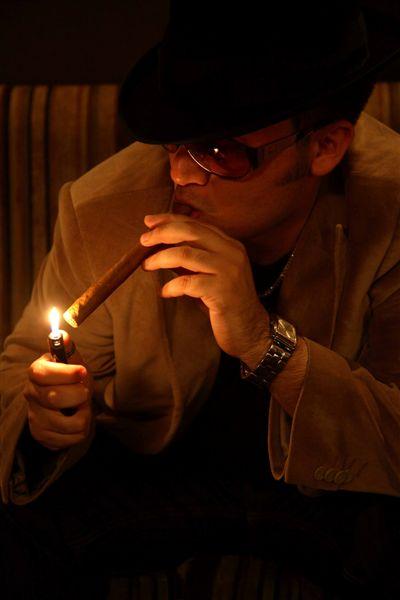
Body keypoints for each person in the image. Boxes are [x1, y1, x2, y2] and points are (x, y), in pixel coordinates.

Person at [1, 1, 400, 598]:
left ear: (324, 147)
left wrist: (264, 345)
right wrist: (44, 423)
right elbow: (22, 370)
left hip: (331, 492)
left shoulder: (389, 209)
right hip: (154, 470)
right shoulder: (105, 207)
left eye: (221, 152)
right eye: (173, 143)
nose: (182, 176)